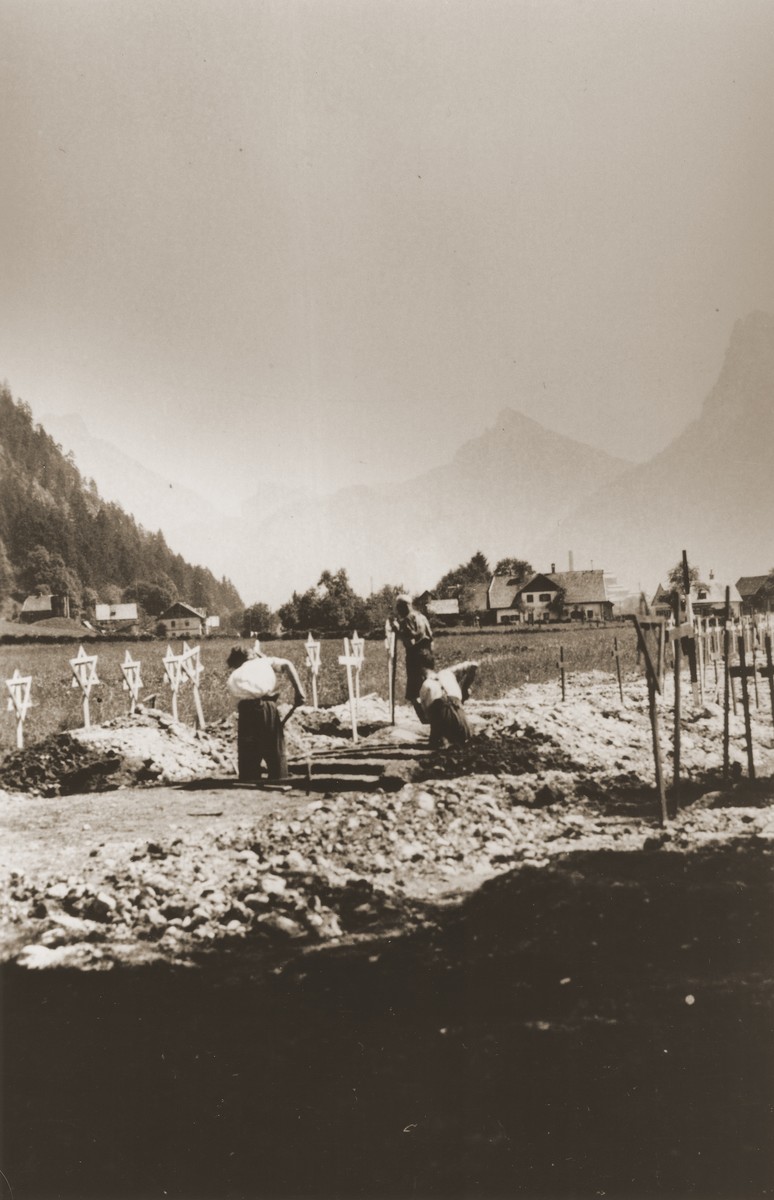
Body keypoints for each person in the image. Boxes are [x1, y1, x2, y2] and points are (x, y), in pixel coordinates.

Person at [226, 646, 306, 783]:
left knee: (249, 749)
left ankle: (249, 778)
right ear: (252, 655)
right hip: (265, 707)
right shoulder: (263, 661)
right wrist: (299, 691)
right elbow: (287, 664)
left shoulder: (236, 673)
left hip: (245, 710)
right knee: (273, 747)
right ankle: (278, 777)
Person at [417, 660, 479, 747]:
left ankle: (443, 738)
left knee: (435, 738)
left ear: (422, 677)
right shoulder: (447, 675)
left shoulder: (425, 686)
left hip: (443, 719)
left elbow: (427, 716)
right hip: (461, 721)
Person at [393, 595, 435, 719]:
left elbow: (410, 644)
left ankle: (425, 718)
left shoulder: (406, 620)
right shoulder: (422, 617)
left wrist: (397, 631)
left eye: (399, 608)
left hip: (415, 657)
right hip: (428, 655)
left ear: (405, 606)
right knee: (429, 688)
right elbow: (431, 637)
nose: (398, 611)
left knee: (413, 693)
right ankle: (433, 716)